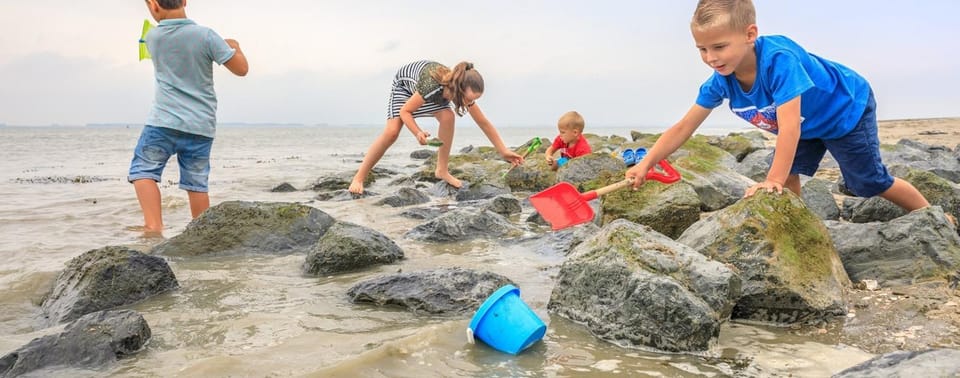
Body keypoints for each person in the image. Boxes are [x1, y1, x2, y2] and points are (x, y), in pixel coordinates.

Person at [626, 0, 929, 213]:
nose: (710, 57)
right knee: (788, 174)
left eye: (719, 47)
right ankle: (795, 220)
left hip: (844, 110)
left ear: (750, 35)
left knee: (867, 183)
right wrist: (646, 163)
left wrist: (772, 179)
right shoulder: (721, 80)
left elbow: (789, 126)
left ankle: (931, 215)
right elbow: (683, 127)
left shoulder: (779, 61)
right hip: (807, 124)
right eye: (702, 49)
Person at [128, 0, 249, 234]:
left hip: (162, 122)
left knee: (143, 172)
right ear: (185, 1)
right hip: (200, 125)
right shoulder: (206, 36)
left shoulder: (152, 38)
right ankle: (201, 232)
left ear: (153, 6)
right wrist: (235, 46)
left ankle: (153, 226)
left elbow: (176, 47)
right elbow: (241, 69)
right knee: (197, 183)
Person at [348, 60, 524, 194]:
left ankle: (442, 170)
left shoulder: (459, 91)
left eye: (474, 100)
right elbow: (405, 111)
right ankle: (358, 178)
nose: (471, 103)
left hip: (434, 93)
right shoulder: (433, 86)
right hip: (405, 87)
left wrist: (503, 151)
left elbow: (483, 122)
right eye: (469, 99)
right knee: (392, 132)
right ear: (458, 88)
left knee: (448, 116)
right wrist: (417, 132)